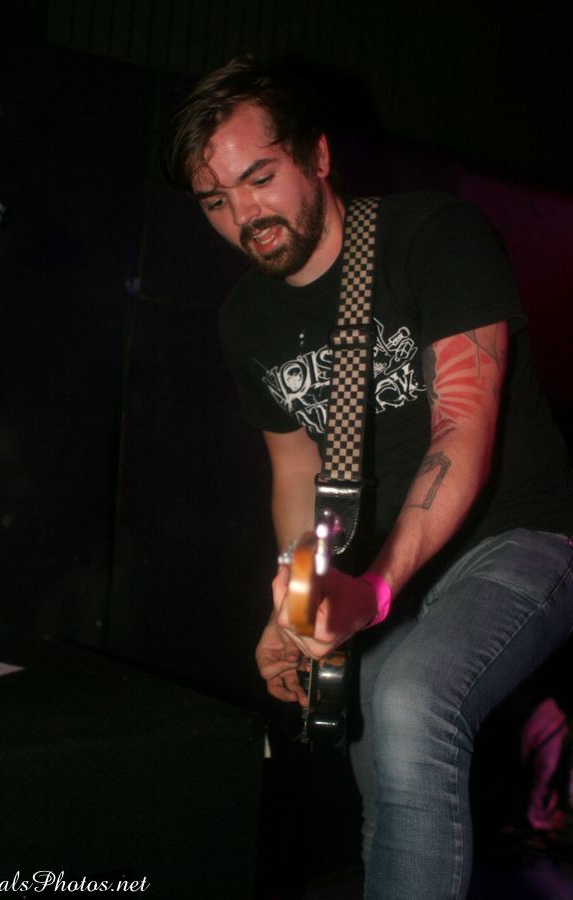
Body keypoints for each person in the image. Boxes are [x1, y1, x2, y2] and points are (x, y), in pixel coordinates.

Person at [164, 57, 573, 899]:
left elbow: (463, 427)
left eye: (260, 178)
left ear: (317, 156)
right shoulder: (247, 319)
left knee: (413, 699)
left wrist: (376, 589)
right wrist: (298, 605)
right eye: (215, 200)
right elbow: (296, 469)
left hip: (521, 535)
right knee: (379, 751)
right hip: (386, 566)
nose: (244, 215)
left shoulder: (435, 237)